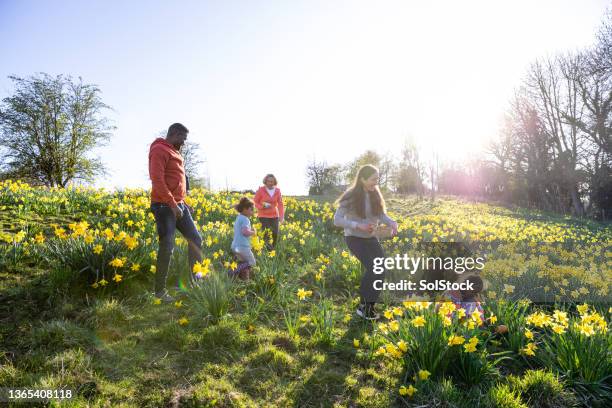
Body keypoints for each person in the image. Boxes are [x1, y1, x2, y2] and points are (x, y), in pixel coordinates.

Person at [333, 164, 398, 320]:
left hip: (371, 238)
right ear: (362, 179)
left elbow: (381, 215)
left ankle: (369, 305)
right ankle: (364, 306)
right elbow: (337, 220)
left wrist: (391, 222)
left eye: (377, 179)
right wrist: (357, 225)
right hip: (354, 238)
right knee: (373, 268)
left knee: (381, 269)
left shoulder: (375, 194)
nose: (376, 182)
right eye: (373, 179)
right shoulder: (350, 196)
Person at [149, 123, 202, 302]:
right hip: (164, 206)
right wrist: (172, 204)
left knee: (196, 239)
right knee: (167, 246)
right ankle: (160, 291)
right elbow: (157, 180)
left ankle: (196, 282)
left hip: (178, 205)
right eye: (183, 139)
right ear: (174, 134)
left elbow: (176, 181)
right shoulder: (159, 149)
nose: (184, 143)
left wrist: (183, 203)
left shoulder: (175, 152)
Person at [253, 174, 285, 250]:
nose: (270, 183)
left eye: (272, 181)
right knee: (266, 234)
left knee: (275, 233)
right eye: (269, 181)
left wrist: (281, 217)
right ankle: (267, 250)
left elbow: (280, 204)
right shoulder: (260, 190)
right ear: (265, 181)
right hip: (263, 215)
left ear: (274, 182)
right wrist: (262, 206)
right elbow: (255, 202)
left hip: (274, 215)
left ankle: (273, 249)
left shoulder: (277, 191)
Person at [230, 197, 257, 280]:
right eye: (251, 209)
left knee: (244, 263)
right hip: (242, 247)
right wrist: (253, 232)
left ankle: (244, 279)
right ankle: (233, 271)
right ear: (245, 209)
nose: (253, 212)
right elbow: (245, 232)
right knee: (251, 263)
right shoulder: (246, 219)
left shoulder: (239, 217)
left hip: (235, 246)